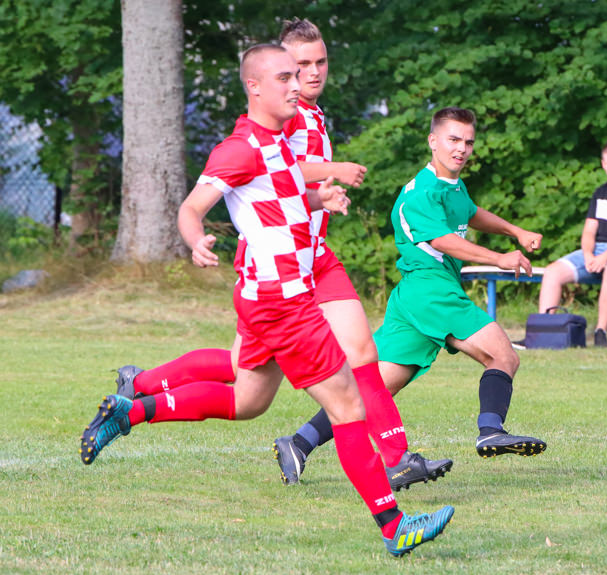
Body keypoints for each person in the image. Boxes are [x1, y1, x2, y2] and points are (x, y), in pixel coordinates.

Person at [79, 43, 453, 557]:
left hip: (266, 297)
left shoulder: (279, 142)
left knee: (247, 401)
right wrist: (195, 241)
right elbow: (192, 207)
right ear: (254, 86)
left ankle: (130, 411)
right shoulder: (239, 148)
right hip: (283, 302)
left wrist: (322, 197)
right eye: (284, 78)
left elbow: (280, 198)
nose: (296, 85)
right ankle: (394, 527)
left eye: (297, 77)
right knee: (347, 407)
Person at [272, 107, 547, 483]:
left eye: (468, 142)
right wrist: (499, 257)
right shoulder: (420, 192)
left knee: (375, 387)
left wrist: (514, 230)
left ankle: (299, 443)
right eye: (453, 140)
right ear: (433, 141)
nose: (461, 149)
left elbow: (470, 212)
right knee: (503, 354)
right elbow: (442, 240)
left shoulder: (451, 187)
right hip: (430, 289)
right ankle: (490, 431)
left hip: (413, 299)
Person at [537, 141, 607, 347]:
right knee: (552, 272)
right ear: (603, 164)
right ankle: (544, 333)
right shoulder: (600, 193)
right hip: (597, 250)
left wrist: (605, 258)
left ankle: (601, 332)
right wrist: (589, 255)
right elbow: (589, 231)